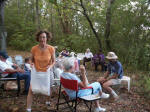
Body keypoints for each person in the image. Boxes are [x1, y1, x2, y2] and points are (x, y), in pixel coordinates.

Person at [26, 30, 55, 112]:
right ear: (38, 38)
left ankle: (48, 100)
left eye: (44, 37)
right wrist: (31, 63)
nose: (42, 39)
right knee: (31, 90)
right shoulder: (34, 48)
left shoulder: (51, 48)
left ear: (47, 38)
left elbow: (54, 61)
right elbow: (31, 59)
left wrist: (51, 66)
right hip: (36, 72)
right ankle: (28, 109)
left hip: (47, 72)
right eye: (40, 37)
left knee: (48, 89)